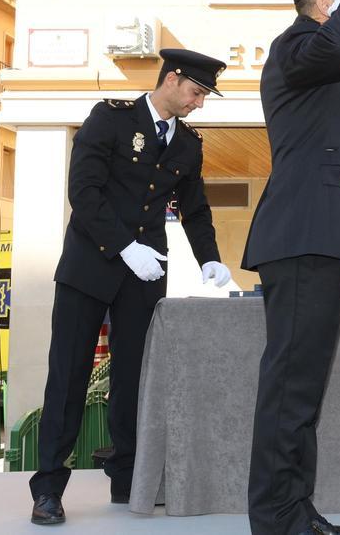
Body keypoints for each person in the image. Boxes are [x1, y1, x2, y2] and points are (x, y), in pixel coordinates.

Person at [29, 49, 234, 526]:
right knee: (68, 376)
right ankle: (48, 489)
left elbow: (195, 207)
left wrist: (210, 259)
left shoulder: (188, 144)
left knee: (135, 379)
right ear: (171, 79)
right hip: (89, 268)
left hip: (144, 276)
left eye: (204, 96)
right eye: (196, 92)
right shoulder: (110, 120)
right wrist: (125, 247)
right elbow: (83, 191)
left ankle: (128, 479)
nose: (199, 103)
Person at [241, 0, 340, 535]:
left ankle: (295, 509)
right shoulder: (297, 45)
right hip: (302, 234)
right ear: (326, 3)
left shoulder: (319, 55)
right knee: (290, 385)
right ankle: (276, 518)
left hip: (322, 234)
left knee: (305, 388)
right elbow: (332, 52)